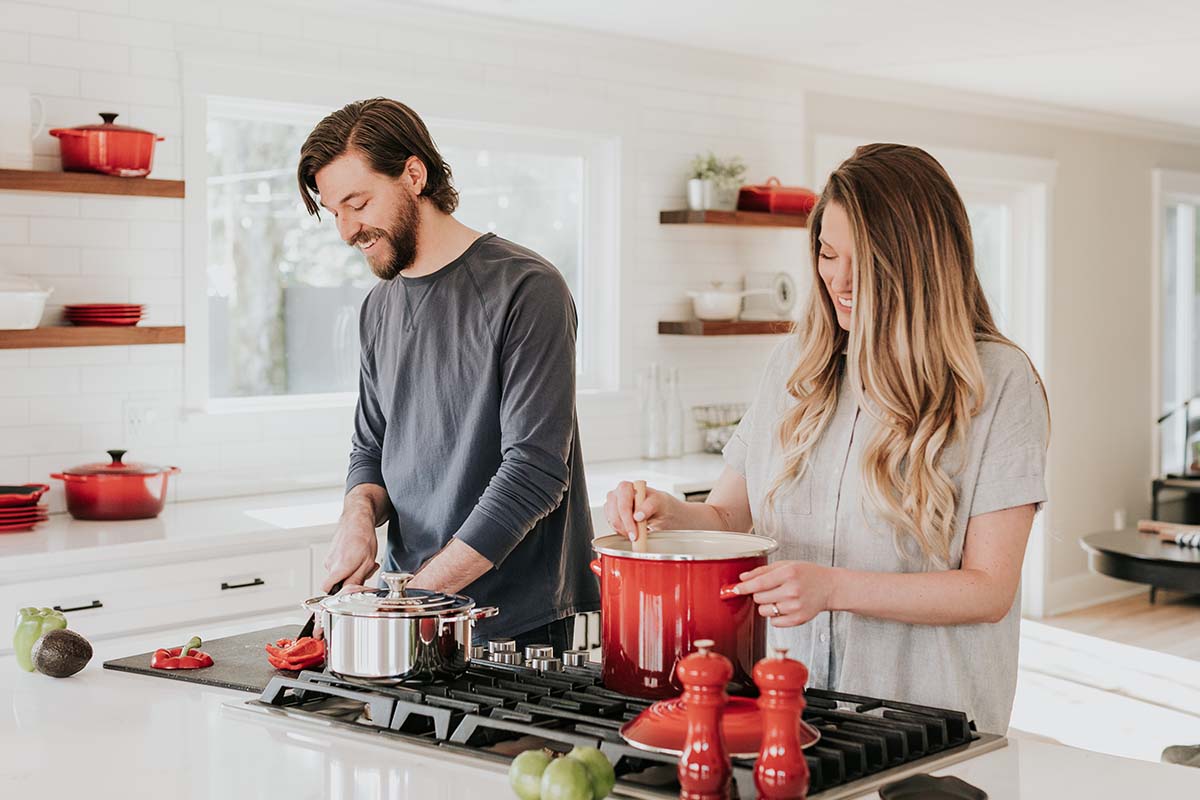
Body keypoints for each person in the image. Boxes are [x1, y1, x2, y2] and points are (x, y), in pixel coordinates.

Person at [605, 143, 1049, 734]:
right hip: (789, 708)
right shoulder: (796, 365)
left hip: (923, 720)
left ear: (920, 262)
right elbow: (731, 516)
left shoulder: (998, 382)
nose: (838, 279)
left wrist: (835, 588)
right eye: (827, 252)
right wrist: (670, 515)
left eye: (862, 259)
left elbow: (989, 589)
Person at [298, 98, 599, 649]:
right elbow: (371, 448)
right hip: (408, 606)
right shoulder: (377, 306)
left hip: (515, 625)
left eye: (357, 203)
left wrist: (412, 603)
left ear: (414, 174)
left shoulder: (527, 288)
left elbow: (534, 473)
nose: (346, 231)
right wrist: (357, 519)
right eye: (333, 211)